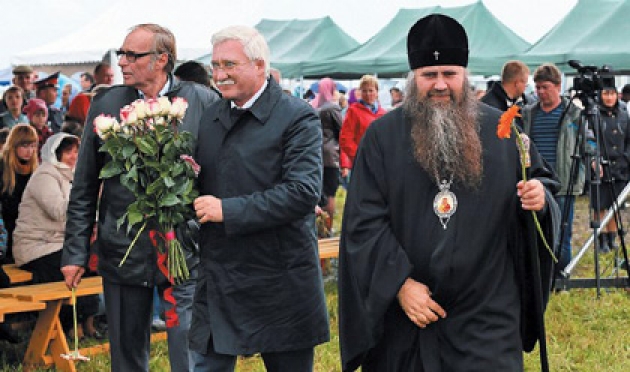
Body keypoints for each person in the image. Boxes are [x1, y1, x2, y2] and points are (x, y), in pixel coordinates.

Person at [338, 14, 560, 371]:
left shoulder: (504, 132)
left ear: (464, 75)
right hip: (407, 321)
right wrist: (399, 284)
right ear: (413, 79)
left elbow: (542, 186)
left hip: (485, 318)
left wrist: (540, 198)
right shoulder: (382, 137)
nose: (440, 85)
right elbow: (364, 222)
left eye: (449, 74)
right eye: (429, 75)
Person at [60, 23, 219, 372]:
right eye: (121, 53)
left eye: (133, 55)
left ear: (162, 59)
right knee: (127, 356)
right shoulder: (107, 103)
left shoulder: (201, 101)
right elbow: (85, 184)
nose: (123, 62)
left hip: (184, 250)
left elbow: (218, 176)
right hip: (123, 250)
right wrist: (74, 252)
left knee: (189, 354)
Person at [191, 25, 329, 371]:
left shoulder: (297, 116)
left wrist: (228, 210)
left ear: (259, 65)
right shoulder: (211, 116)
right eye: (215, 66)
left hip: (278, 279)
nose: (219, 75)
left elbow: (302, 192)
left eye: (229, 65)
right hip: (221, 275)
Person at [12, 132, 103, 339]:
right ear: (56, 153)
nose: (73, 156)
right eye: (68, 152)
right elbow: (59, 211)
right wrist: (90, 199)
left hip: (59, 243)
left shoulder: (72, 177)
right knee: (72, 264)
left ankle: (88, 322)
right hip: (36, 247)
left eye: (76, 151)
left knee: (94, 260)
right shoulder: (45, 175)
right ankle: (70, 327)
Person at [522, 63, 583, 282]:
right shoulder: (528, 113)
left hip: (565, 180)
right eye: (537, 87)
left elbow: (587, 143)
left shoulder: (573, 114)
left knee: (562, 233)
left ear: (558, 86)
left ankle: (560, 276)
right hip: (537, 182)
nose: (540, 92)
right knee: (538, 232)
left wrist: (592, 164)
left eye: (545, 87)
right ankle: (541, 275)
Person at [590, 84, 630, 252]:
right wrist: (594, 158)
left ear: (617, 95)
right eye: (605, 94)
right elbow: (589, 138)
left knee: (615, 205)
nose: (609, 97)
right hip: (600, 165)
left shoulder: (623, 114)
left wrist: (626, 158)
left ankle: (612, 237)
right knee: (600, 204)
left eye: (612, 94)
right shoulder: (594, 114)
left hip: (620, 166)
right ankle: (601, 239)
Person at [0, 124, 39, 265]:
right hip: (6, 231)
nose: (30, 151)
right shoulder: (2, 167)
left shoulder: (36, 171)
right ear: (14, 145)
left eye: (33, 146)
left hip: (27, 231)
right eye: (24, 146)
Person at [339, 75, 386, 179]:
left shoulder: (383, 113)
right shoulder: (353, 111)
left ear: (377, 92)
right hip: (362, 164)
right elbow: (345, 139)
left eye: (371, 90)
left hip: (381, 163)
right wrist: (360, 157)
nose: (368, 94)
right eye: (364, 91)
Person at [311, 77, 342, 233]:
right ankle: (327, 228)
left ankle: (318, 227)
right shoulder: (332, 108)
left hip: (316, 154)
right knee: (330, 193)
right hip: (331, 157)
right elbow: (342, 131)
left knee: (319, 193)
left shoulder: (314, 106)